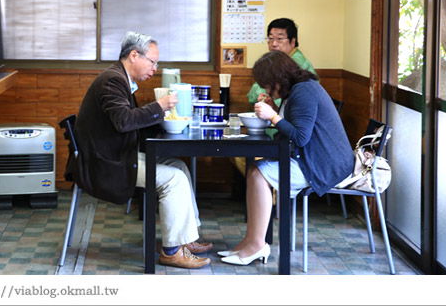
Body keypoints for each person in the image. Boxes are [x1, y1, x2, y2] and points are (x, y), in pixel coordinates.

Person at [73, 31, 212, 269]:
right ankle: (171, 251)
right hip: (104, 164)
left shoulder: (120, 78)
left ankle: (186, 239)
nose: (155, 68)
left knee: (179, 166)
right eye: (153, 61)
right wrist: (158, 107)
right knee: (174, 179)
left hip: (115, 155)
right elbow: (124, 121)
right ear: (134, 55)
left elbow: (127, 123)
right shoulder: (113, 80)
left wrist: (159, 117)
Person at [219, 51, 353, 265]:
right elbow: (293, 128)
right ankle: (250, 241)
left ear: (278, 78)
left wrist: (272, 116)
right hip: (311, 157)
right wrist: (275, 109)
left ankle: (257, 245)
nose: (266, 89)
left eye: (267, 84)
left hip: (322, 164)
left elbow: (300, 137)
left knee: (258, 172)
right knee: (255, 169)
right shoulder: (297, 90)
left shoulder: (304, 91)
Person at [247, 18, 317, 109]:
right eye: (271, 38)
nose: (274, 44)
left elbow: (281, 101)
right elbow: (251, 96)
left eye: (280, 39)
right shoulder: (275, 62)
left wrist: (263, 92)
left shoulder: (297, 65)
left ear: (293, 41)